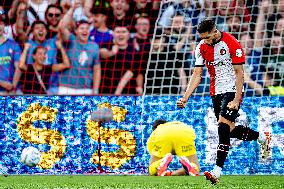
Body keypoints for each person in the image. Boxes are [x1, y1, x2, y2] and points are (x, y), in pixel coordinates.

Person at [176, 19, 271, 184]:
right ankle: (263, 137)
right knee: (230, 130)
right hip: (215, 92)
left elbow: (239, 73)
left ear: (215, 31)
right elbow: (197, 74)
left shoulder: (231, 43)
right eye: (202, 38)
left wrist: (236, 99)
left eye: (207, 37)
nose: (205, 41)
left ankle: (217, 171)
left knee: (222, 127)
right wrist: (186, 97)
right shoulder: (201, 47)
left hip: (232, 90)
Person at [58, 3, 101, 95]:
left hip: (86, 89)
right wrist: (72, 9)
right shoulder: (71, 39)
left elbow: (97, 69)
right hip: (66, 87)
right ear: (76, 31)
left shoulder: (94, 46)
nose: (85, 31)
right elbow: (62, 27)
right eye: (82, 28)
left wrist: (96, 90)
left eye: (87, 28)